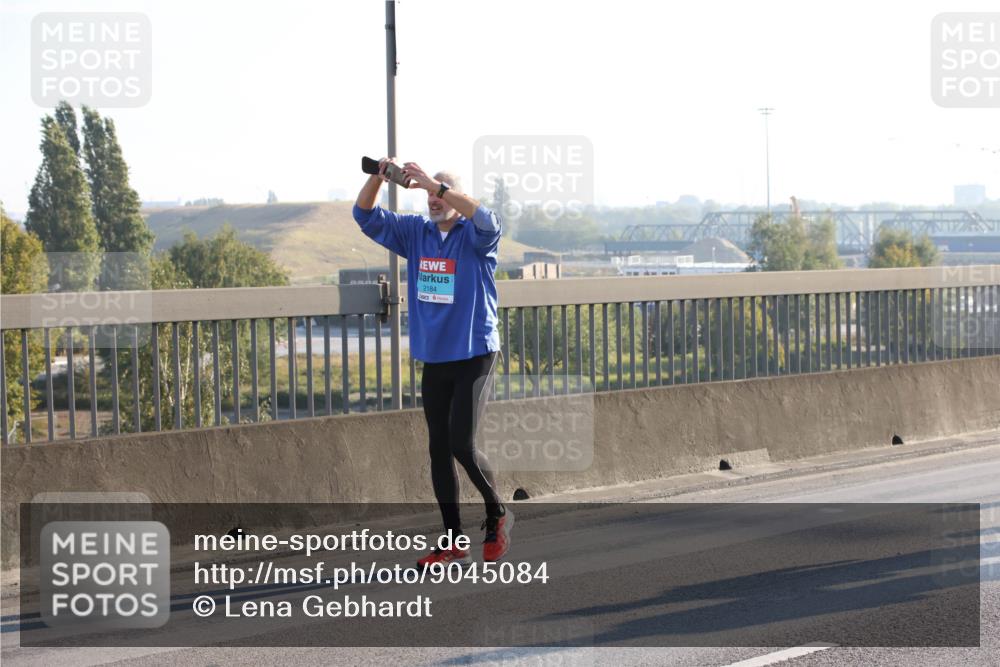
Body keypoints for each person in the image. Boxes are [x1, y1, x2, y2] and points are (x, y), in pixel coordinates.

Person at [353, 158, 513, 567]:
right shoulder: (416, 234)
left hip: (475, 350)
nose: (432, 199)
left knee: (462, 443)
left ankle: (497, 513)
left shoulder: (475, 236)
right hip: (435, 355)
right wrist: (379, 175)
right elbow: (364, 215)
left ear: (454, 197)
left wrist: (436, 183)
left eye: (439, 192)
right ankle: (453, 539)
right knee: (438, 449)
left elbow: (488, 218)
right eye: (426, 193)